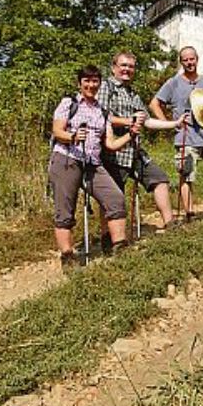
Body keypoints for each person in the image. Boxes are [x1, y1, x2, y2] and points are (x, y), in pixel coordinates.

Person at [48, 65, 140, 269]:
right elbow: (56, 130)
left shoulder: (102, 111)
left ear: (99, 83)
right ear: (80, 83)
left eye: (95, 81)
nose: (91, 85)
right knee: (64, 210)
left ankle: (119, 247)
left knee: (115, 198)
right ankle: (68, 256)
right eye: (87, 81)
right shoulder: (69, 103)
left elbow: (110, 144)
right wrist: (72, 137)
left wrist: (130, 134)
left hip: (92, 163)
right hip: (66, 159)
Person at [97, 52, 186, 244]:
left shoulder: (133, 94)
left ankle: (170, 224)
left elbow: (147, 121)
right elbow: (101, 116)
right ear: (114, 67)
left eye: (130, 66)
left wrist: (174, 123)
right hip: (114, 151)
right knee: (112, 196)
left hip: (135, 151)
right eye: (123, 65)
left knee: (159, 179)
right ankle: (108, 237)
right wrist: (129, 122)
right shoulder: (106, 87)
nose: (127, 69)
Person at [149, 46, 203, 219]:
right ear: (181, 62)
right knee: (186, 175)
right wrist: (170, 124)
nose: (189, 63)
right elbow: (154, 104)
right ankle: (190, 213)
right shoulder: (173, 83)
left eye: (192, 59)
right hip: (185, 136)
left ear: (197, 59)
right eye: (185, 60)